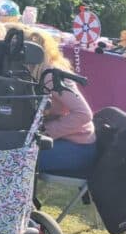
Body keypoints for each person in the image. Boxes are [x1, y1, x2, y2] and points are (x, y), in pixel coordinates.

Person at [17, 27, 97, 174]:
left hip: (77, 148)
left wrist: (46, 132)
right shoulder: (38, 72)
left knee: (15, 161)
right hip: (64, 141)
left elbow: (84, 114)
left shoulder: (51, 74)